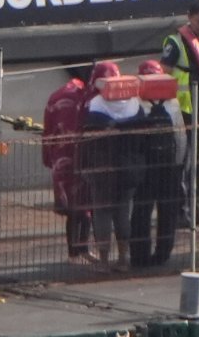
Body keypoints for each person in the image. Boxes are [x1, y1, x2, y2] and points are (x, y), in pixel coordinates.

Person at [79, 62, 145, 271]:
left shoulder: (97, 104)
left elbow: (87, 137)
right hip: (130, 166)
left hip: (103, 167)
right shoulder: (135, 103)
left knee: (102, 212)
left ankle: (104, 260)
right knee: (124, 211)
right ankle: (124, 258)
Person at [161, 0, 199, 227]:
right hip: (184, 112)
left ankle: (197, 209)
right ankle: (181, 212)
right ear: (189, 18)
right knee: (184, 165)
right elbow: (164, 74)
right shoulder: (174, 42)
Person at [129, 60, 187, 267]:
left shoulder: (135, 101)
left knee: (141, 210)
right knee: (168, 211)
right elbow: (180, 136)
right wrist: (180, 165)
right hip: (170, 165)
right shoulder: (172, 102)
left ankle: (139, 254)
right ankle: (163, 253)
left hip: (146, 166)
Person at [41, 77, 96, 263]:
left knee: (71, 207)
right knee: (85, 205)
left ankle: (74, 252)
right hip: (83, 155)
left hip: (60, 156)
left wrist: (47, 156)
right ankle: (82, 249)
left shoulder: (55, 97)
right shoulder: (85, 97)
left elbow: (48, 130)